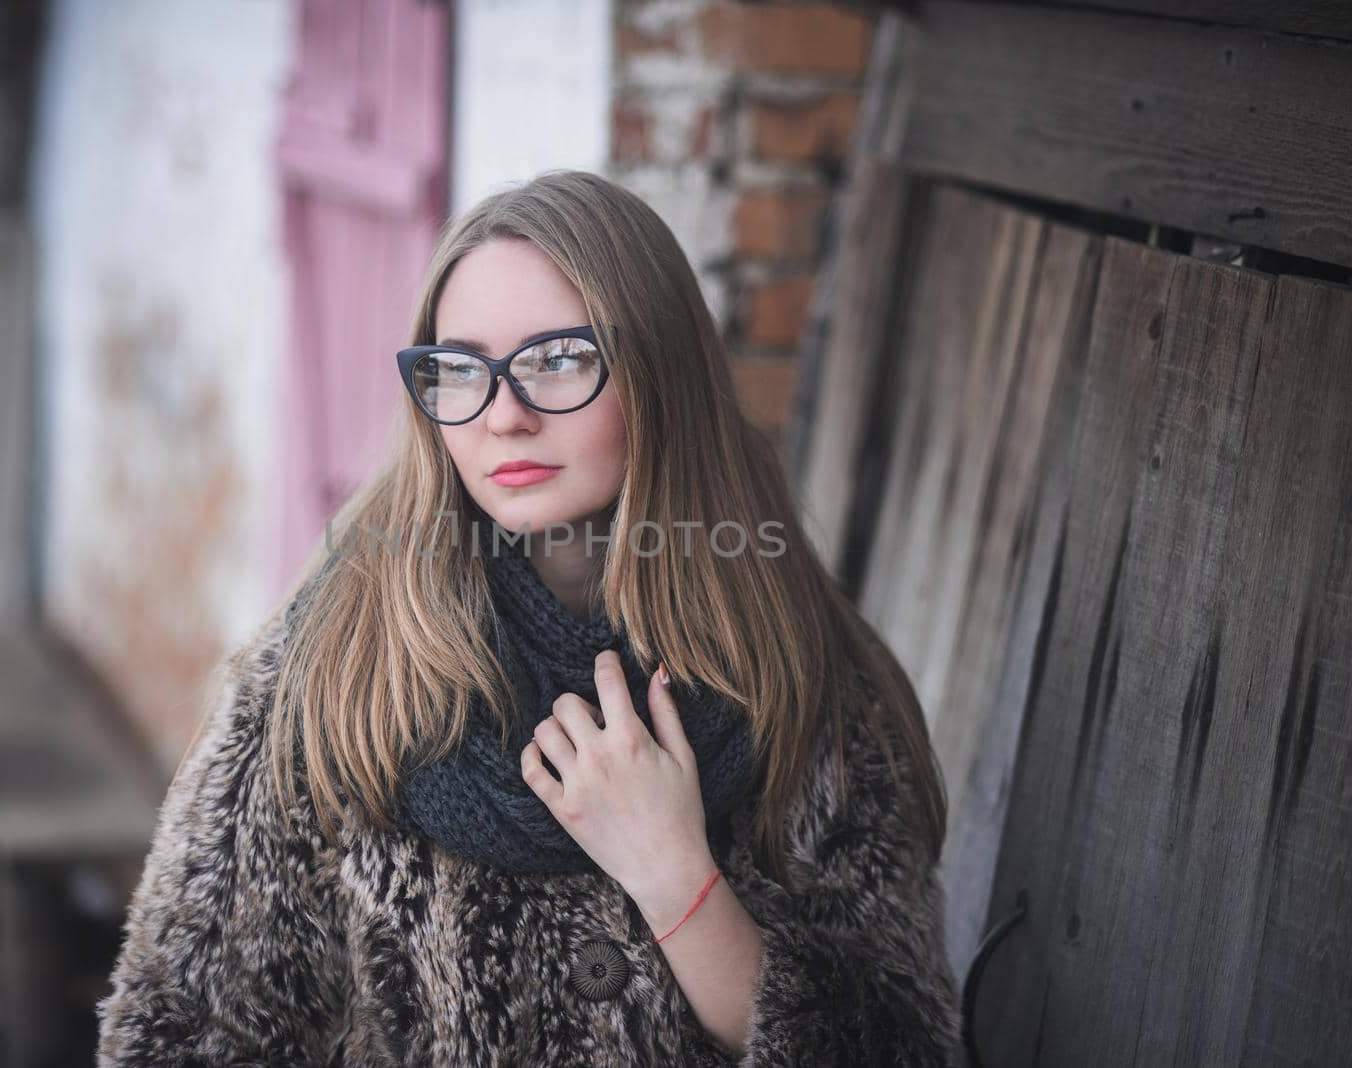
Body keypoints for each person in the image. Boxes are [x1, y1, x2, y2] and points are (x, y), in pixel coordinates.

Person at [95, 169, 963, 1066]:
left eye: (558, 360)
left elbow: (908, 1049)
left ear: (659, 374)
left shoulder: (803, 676)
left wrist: (676, 877)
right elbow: (179, 1035)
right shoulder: (330, 673)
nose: (503, 416)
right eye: (461, 369)